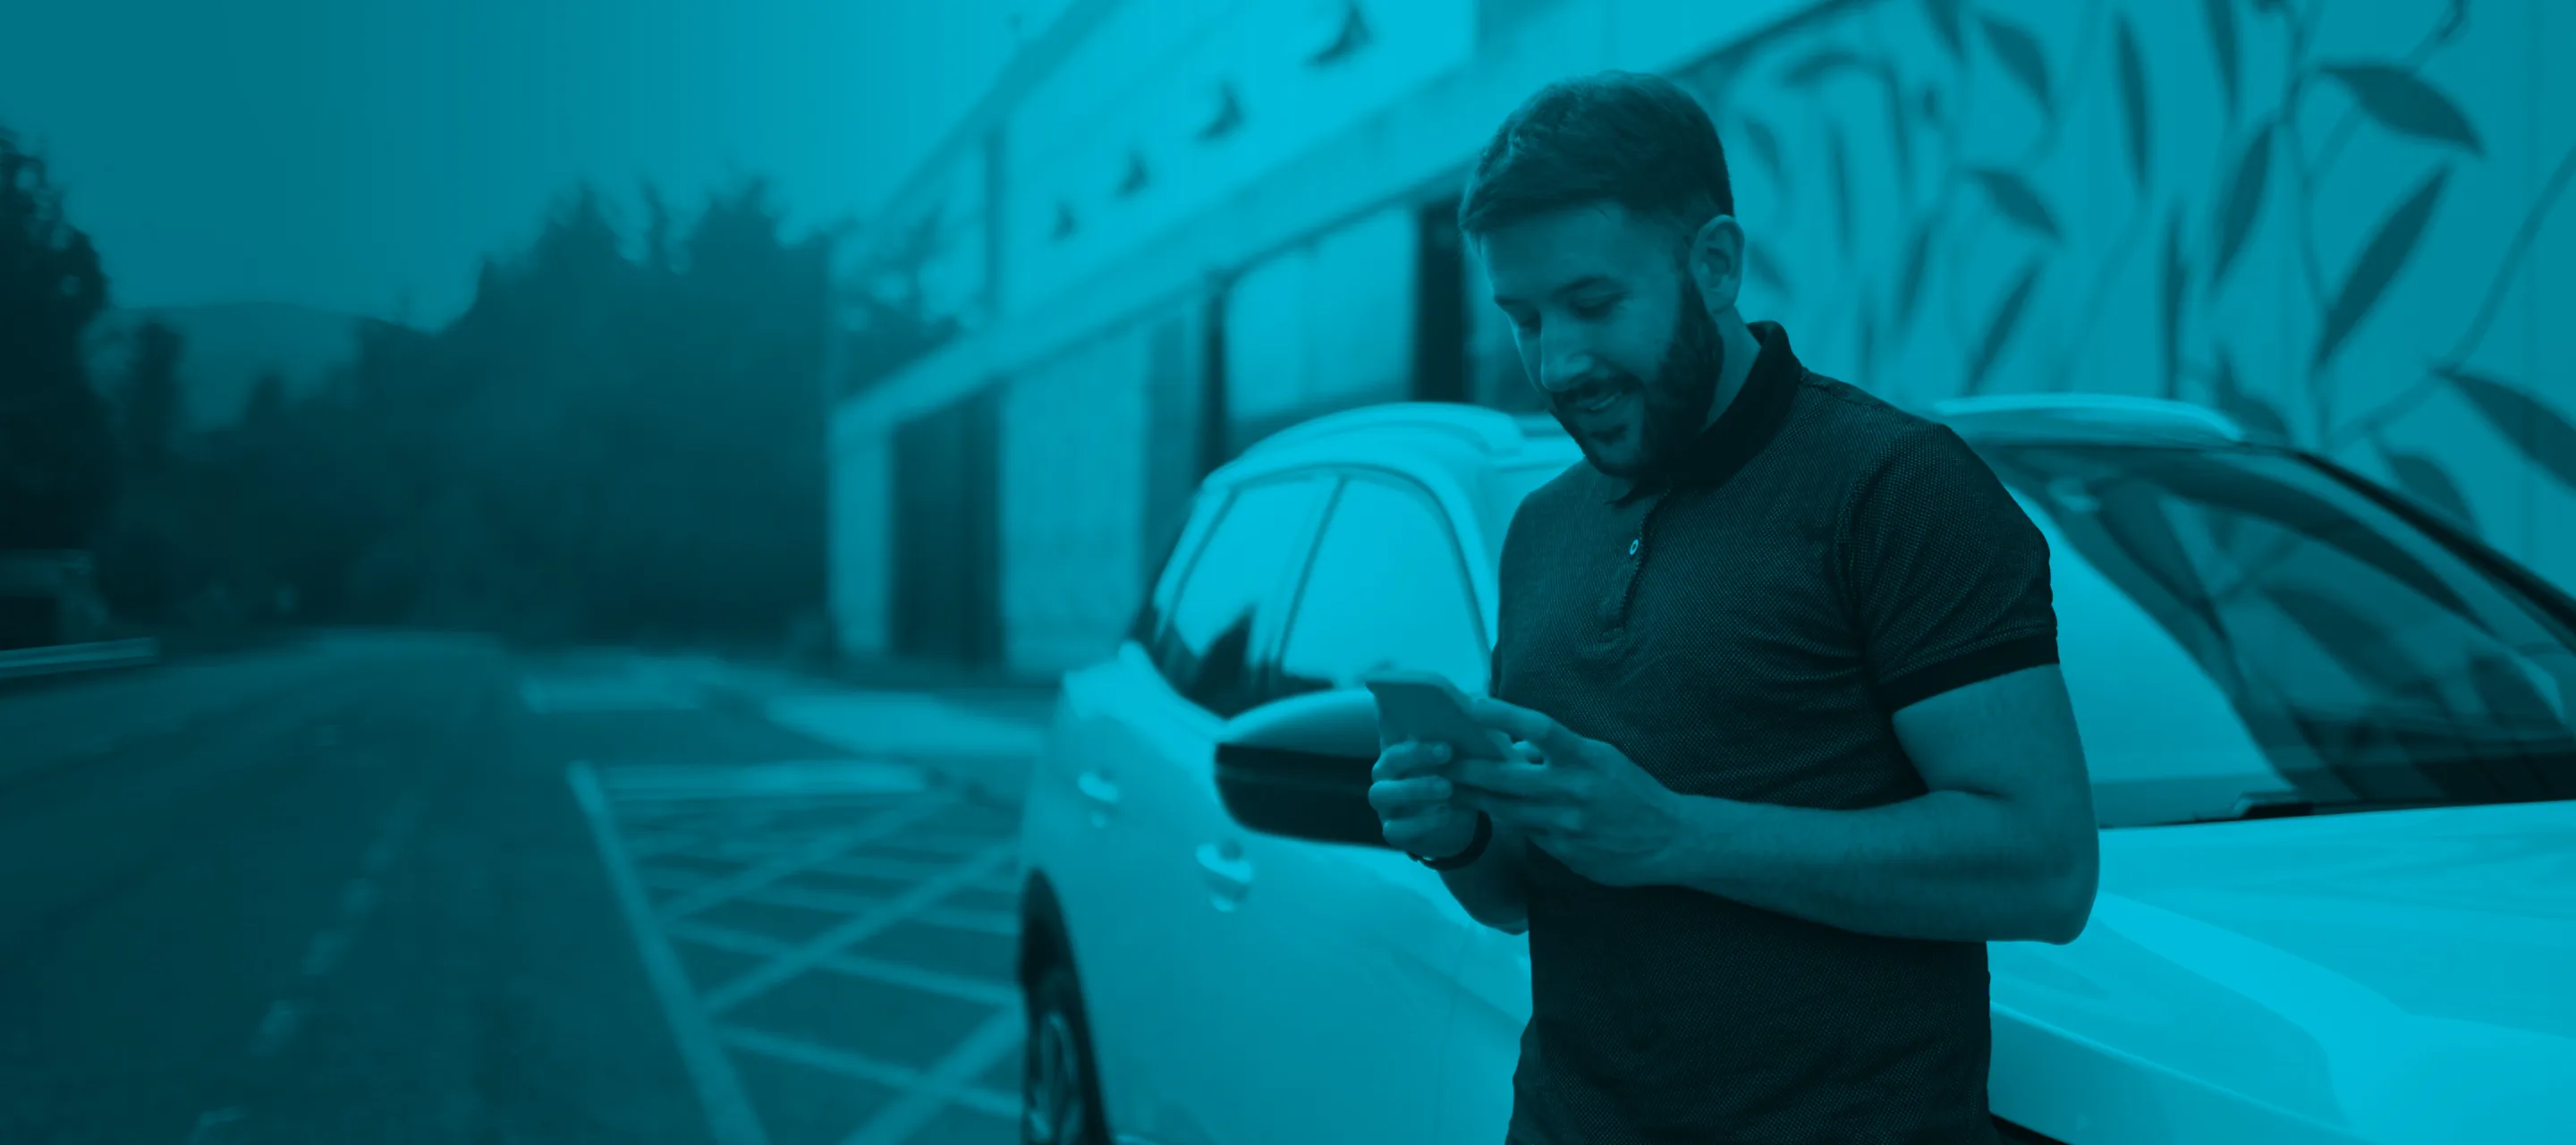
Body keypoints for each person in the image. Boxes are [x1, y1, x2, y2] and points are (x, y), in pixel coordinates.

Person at [1368, 72, 2099, 1143]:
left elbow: (2044, 865)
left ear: (1714, 263)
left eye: (1593, 302)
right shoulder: (1541, 528)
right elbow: (1532, 895)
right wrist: (1463, 829)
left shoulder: (1895, 486)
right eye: (1524, 319)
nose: (1559, 362)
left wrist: (1676, 833)